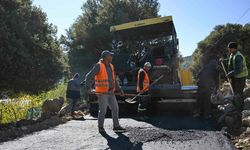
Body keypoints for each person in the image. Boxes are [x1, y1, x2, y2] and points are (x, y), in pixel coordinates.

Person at [85, 50, 126, 133]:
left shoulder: (111, 66)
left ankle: (116, 126)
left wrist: (119, 89)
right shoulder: (98, 66)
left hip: (111, 92)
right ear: (105, 57)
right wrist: (88, 88)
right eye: (110, 55)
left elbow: (114, 80)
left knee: (115, 108)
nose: (112, 57)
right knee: (103, 110)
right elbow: (88, 76)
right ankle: (100, 127)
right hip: (102, 93)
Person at [225, 42, 248, 111]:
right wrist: (224, 60)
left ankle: (240, 108)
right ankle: (236, 105)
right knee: (234, 91)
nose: (228, 50)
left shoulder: (238, 56)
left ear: (233, 48)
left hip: (240, 77)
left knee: (238, 93)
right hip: (235, 77)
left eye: (229, 48)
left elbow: (239, 69)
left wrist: (230, 74)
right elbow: (231, 60)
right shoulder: (233, 54)